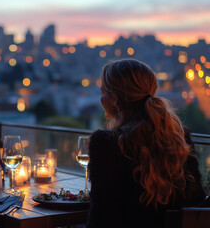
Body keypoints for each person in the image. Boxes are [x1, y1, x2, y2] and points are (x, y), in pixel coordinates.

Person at [88, 59, 206, 228]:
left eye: (103, 92)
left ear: (115, 98)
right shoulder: (180, 136)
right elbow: (197, 200)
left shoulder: (106, 144)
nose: (101, 98)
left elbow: (101, 216)